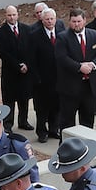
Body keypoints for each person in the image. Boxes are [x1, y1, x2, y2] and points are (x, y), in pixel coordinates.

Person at [56, 7, 96, 130]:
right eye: (73, 22)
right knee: (67, 123)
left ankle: (86, 147)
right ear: (69, 22)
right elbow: (61, 58)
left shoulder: (94, 35)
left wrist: (93, 65)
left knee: (88, 121)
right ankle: (67, 148)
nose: (76, 24)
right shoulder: (63, 37)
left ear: (84, 20)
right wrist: (80, 67)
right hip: (70, 88)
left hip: (89, 87)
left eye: (79, 21)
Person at [0, 6, 34, 131]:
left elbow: (31, 49)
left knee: (24, 98)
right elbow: (4, 54)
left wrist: (27, 64)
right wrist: (18, 66)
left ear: (18, 14)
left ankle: (23, 121)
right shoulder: (0, 32)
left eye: (14, 14)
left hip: (25, 71)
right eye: (9, 15)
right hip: (10, 72)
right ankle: (8, 125)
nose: (12, 17)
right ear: (5, 16)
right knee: (9, 100)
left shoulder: (27, 29)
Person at [27, 7, 63, 142]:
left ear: (55, 19)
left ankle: (54, 129)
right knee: (42, 108)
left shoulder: (62, 33)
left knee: (56, 106)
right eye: (47, 19)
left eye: (52, 19)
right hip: (41, 80)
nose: (49, 21)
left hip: (58, 78)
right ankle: (42, 132)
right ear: (42, 20)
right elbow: (31, 59)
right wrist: (36, 78)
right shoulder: (34, 36)